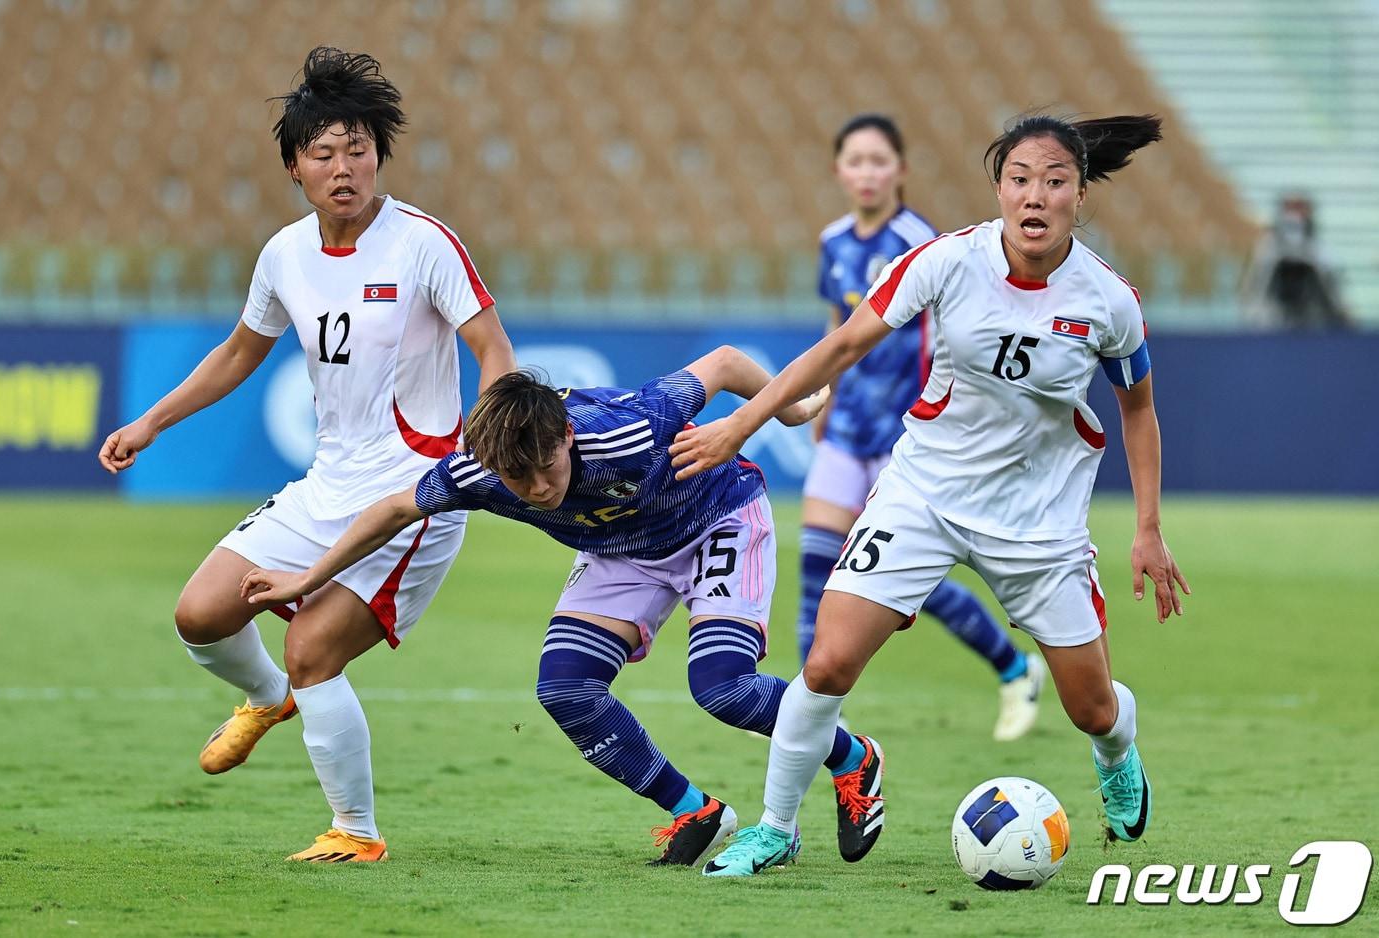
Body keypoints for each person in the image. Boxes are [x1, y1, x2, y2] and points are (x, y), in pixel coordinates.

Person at [671, 114, 1191, 877]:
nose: (1035, 196)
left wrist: (1148, 528)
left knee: (1092, 709)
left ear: (1081, 193)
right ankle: (777, 830)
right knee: (826, 666)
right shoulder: (947, 262)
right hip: (925, 496)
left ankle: (1118, 751)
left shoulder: (1109, 301)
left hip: (1037, 524)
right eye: (1020, 180)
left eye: (1054, 181)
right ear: (999, 188)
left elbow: (1138, 409)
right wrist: (741, 424)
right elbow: (841, 344)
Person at [97, 47, 516, 862]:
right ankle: (267, 698)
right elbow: (237, 353)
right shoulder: (285, 254)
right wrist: (152, 423)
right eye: (323, 152)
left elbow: (492, 348)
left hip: (414, 495)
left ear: (378, 154)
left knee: (312, 646)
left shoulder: (425, 242)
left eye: (358, 148)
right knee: (202, 613)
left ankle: (355, 834)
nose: (344, 167)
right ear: (294, 166)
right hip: (327, 483)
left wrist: (482, 450)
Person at [239, 350, 880, 868]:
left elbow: (725, 364)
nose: (539, 489)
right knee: (565, 688)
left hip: (715, 517)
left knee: (723, 689)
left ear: (567, 435)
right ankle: (696, 811)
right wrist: (307, 576)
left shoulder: (629, 426)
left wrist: (789, 412)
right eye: (520, 483)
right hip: (617, 549)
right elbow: (393, 510)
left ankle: (853, 758)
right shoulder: (479, 472)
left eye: (547, 468)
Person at [805, 114, 1042, 741]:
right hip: (849, 425)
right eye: (854, 161)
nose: (866, 172)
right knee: (815, 561)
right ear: (838, 171)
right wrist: (824, 400)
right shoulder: (832, 241)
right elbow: (838, 326)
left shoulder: (921, 241)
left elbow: (955, 325)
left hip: (908, 436)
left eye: (878, 161)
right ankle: (807, 707)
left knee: (909, 586)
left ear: (900, 171)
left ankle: (1015, 667)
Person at [1242, 193, 1352, 329]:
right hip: (1272, 324)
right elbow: (1254, 291)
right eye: (1290, 209)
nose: (1294, 216)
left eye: (1299, 209)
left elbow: (1334, 293)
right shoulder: (1266, 249)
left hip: (1313, 325)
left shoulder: (1319, 249)